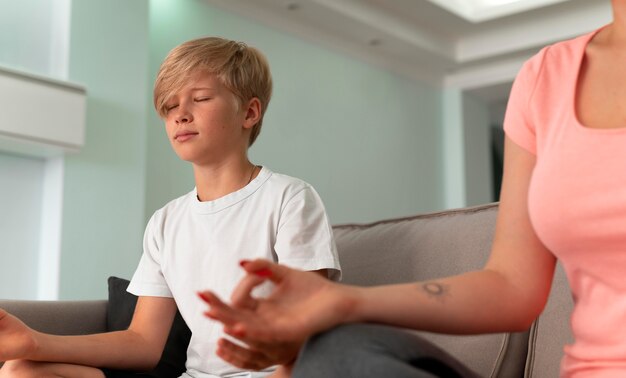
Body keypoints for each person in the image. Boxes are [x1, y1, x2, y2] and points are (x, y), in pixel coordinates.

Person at [199, 1, 626, 376]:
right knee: (340, 352)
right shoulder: (545, 79)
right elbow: (511, 286)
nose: (181, 115)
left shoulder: (288, 197)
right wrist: (338, 303)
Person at [0, 37, 341, 378]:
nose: (180, 115)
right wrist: (33, 341)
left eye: (200, 98)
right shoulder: (166, 222)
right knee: (21, 369)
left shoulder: (290, 199)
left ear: (250, 112)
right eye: (169, 106)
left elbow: (309, 330)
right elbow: (143, 342)